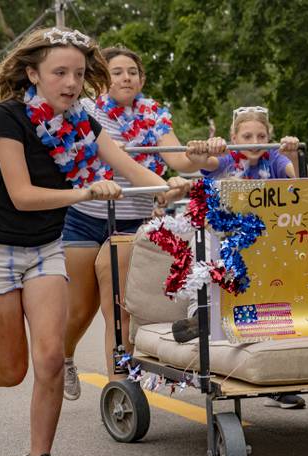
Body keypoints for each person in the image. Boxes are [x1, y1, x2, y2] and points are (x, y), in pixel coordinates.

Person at [0, 26, 188, 456]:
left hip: (45, 248)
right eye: (60, 72)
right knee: (12, 368)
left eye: (78, 73)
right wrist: (85, 191)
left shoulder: (82, 123)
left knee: (52, 358)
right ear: (33, 73)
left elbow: (126, 164)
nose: (72, 82)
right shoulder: (10, 117)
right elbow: (21, 194)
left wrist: (168, 187)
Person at [61, 46, 204, 400]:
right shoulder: (89, 110)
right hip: (84, 220)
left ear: (142, 78)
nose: (127, 77)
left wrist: (196, 158)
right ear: (103, 78)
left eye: (133, 72)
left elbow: (178, 158)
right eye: (118, 71)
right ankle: (65, 356)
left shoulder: (152, 113)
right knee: (81, 309)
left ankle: (120, 387)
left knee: (120, 308)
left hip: (130, 222)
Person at [174, 106, 306, 409]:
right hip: (223, 237)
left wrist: (292, 151)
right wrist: (200, 150)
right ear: (234, 137)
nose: (255, 140)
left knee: (269, 290)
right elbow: (200, 163)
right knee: (207, 251)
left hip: (263, 242)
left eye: (262, 135)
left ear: (270, 137)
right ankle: (201, 314)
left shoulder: (273, 158)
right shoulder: (225, 157)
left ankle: (275, 380)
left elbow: (294, 181)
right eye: (247, 135)